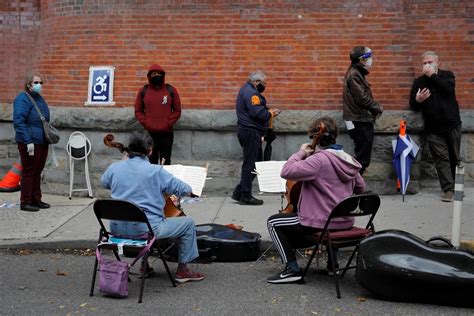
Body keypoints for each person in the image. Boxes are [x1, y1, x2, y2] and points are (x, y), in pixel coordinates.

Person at [266, 117, 365, 284]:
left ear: (315, 137)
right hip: (345, 222)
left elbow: (287, 171)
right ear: (335, 135)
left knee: (274, 223)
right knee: (329, 215)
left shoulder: (318, 160)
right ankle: (333, 265)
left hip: (322, 223)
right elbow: (360, 187)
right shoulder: (348, 159)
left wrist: (302, 153)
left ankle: (292, 270)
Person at [101, 131, 204, 283]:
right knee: (187, 223)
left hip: (116, 229)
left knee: (147, 217)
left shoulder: (114, 168)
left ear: (129, 149)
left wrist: (123, 163)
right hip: (146, 229)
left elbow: (105, 183)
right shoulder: (156, 172)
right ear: (150, 151)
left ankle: (145, 265)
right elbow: (185, 189)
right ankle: (182, 271)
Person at [409, 51, 462, 202]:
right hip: (433, 128)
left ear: (437, 63)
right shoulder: (419, 82)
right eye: (424, 63)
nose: (427, 65)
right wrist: (418, 100)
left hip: (452, 125)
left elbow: (448, 89)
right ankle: (448, 190)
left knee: (455, 158)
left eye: (430, 62)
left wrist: (433, 75)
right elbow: (413, 104)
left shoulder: (447, 76)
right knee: (441, 159)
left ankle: (458, 188)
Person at [232, 70, 281, 205]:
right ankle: (245, 195)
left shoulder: (247, 90)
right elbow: (257, 113)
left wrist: (268, 111)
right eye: (264, 83)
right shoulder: (251, 93)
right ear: (256, 82)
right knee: (251, 164)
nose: (265, 86)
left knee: (256, 162)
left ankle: (239, 191)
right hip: (250, 132)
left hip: (250, 131)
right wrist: (270, 113)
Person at [13, 72, 51, 212]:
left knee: (37, 171)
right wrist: (28, 141)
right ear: (29, 84)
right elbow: (19, 121)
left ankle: (36, 199)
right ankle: (26, 201)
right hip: (29, 141)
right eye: (36, 82)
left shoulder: (39, 98)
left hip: (41, 141)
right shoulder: (22, 99)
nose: (39, 85)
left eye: (41, 83)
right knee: (29, 171)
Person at [342, 46, 383, 175]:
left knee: (361, 157)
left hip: (359, 120)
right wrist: (377, 107)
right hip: (359, 121)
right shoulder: (354, 74)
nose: (371, 59)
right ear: (361, 59)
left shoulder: (357, 73)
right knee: (362, 159)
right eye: (369, 56)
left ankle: (354, 187)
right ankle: (353, 187)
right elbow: (362, 99)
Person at [134, 64, 181, 165]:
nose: (157, 76)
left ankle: (164, 181)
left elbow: (177, 110)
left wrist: (168, 123)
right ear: (149, 76)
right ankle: (153, 181)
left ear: (163, 76)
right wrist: (147, 123)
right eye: (154, 74)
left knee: (166, 162)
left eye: (159, 74)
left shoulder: (170, 90)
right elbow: (138, 111)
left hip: (166, 134)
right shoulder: (143, 91)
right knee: (151, 162)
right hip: (150, 135)